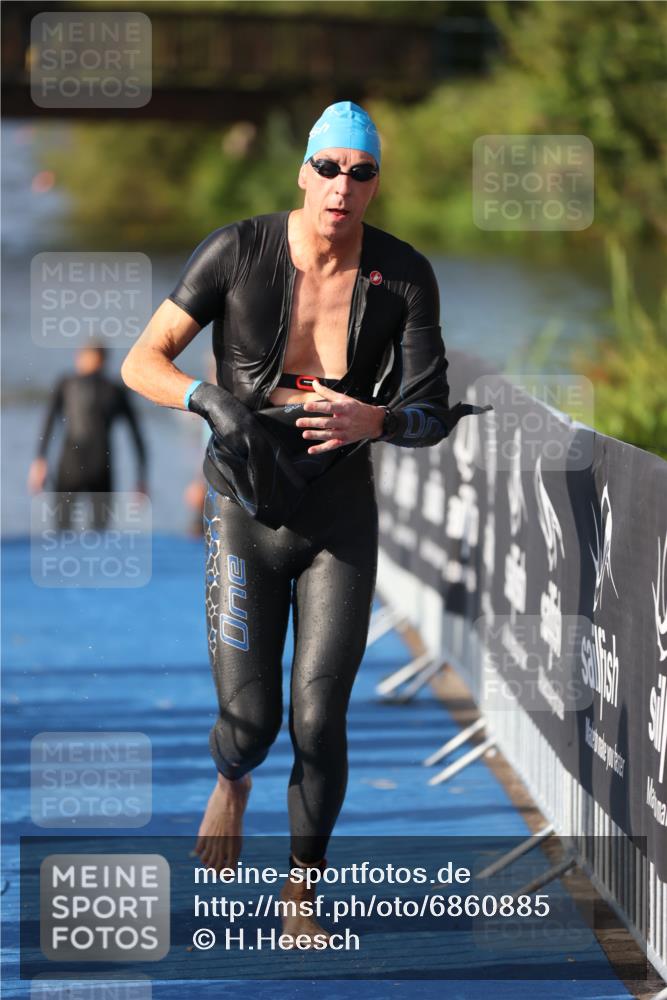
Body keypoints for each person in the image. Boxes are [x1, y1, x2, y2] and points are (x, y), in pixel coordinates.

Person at [120, 101, 491, 946]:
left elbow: (431, 411)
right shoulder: (237, 250)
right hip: (243, 510)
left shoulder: (401, 276)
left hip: (336, 517)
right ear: (303, 172)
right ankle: (233, 777)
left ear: (372, 186)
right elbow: (143, 360)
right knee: (249, 729)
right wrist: (207, 397)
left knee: (319, 717)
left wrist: (379, 421)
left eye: (360, 174)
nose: (341, 187)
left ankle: (301, 893)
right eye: (328, 168)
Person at [28, 343, 148, 529]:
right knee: (99, 533)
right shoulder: (115, 390)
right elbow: (136, 436)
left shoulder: (66, 384)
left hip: (70, 467)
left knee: (62, 531)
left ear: (81, 358)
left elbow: (49, 423)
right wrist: (141, 477)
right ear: (105, 361)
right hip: (100, 466)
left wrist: (40, 460)